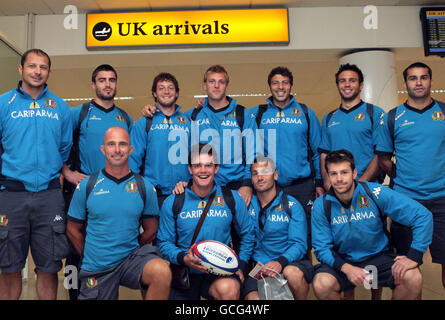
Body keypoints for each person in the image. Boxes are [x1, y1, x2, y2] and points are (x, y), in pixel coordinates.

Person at [311, 150, 433, 300]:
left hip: (377, 258)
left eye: (344, 172)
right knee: (322, 284)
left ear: (354, 173)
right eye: (334, 174)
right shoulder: (321, 205)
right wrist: (347, 268)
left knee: (413, 277)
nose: (339, 179)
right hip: (343, 261)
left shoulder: (374, 193)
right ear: (328, 176)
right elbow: (321, 248)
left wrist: (414, 256)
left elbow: (422, 215)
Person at [0, 48, 72, 300]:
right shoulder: (3, 103)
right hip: (11, 195)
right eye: (32, 66)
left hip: (49, 196)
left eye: (42, 67)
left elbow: (64, 147)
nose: (37, 71)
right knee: (9, 267)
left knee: (49, 267)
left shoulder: (60, 107)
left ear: (49, 71)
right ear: (21, 69)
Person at [66, 127, 171, 300]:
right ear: (103, 149)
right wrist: (89, 254)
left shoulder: (145, 187)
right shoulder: (87, 186)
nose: (117, 150)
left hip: (130, 261)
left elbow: (151, 229)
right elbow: (72, 229)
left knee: (161, 272)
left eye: (122, 144)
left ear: (130, 149)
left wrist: (131, 246)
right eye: (111, 144)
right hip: (97, 266)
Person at [61, 64, 133, 300]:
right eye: (102, 80)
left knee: (105, 246)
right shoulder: (78, 113)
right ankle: (74, 293)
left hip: (114, 194)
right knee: (74, 249)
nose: (107, 84)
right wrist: (67, 173)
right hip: (81, 190)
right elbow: (55, 144)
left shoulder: (125, 117)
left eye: (112, 79)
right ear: (93, 84)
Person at [376, 62, 445, 291]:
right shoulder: (393, 117)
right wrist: (404, 176)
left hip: (442, 199)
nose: (418, 82)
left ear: (431, 81)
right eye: (413, 78)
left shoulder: (443, 112)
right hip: (406, 201)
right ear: (405, 83)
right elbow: (384, 158)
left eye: (423, 77)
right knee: (406, 268)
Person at [318, 63, 385, 300]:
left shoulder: (373, 113)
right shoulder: (329, 118)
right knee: (342, 244)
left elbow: (380, 153)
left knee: (372, 242)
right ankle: (350, 295)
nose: (347, 84)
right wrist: (327, 182)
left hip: (367, 189)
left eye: (352, 80)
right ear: (337, 85)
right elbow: (324, 153)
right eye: (342, 81)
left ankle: (375, 296)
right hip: (337, 191)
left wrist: (362, 184)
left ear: (361, 85)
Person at [157, 143, 255, 300]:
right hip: (185, 272)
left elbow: (248, 234)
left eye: (208, 165)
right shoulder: (174, 201)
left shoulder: (231, 198)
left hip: (220, 273)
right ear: (190, 169)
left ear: (216, 168)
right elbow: (164, 243)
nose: (203, 170)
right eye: (197, 165)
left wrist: (241, 264)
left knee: (229, 290)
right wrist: (183, 257)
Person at [249, 66, 323, 259]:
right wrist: (201, 106)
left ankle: (299, 278)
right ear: (269, 86)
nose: (280, 87)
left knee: (302, 239)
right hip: (269, 187)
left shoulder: (306, 113)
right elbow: (227, 116)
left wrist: (321, 183)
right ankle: (261, 282)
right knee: (263, 235)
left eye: (284, 82)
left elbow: (318, 152)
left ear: (291, 85)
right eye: (275, 83)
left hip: (301, 187)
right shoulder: (257, 114)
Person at [173, 65, 255, 207]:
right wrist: (153, 109)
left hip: (237, 187)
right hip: (203, 188)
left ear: (227, 86)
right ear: (205, 85)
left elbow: (253, 152)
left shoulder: (243, 114)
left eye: (221, 82)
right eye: (212, 81)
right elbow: (181, 151)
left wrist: (247, 184)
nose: (216, 86)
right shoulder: (192, 116)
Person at [243, 155, 313, 300]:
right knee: (253, 299)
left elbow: (299, 244)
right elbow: (246, 240)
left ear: (275, 175)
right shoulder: (247, 205)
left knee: (293, 274)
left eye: (265, 172)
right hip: (259, 266)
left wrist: (280, 262)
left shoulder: (292, 205)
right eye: (255, 173)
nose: (260, 177)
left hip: (289, 262)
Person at [130, 72, 190, 208]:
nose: (166, 91)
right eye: (161, 88)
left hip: (184, 193)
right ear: (155, 94)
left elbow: (196, 158)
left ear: (176, 93)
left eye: (170, 87)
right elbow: (133, 161)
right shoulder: (144, 123)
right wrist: (137, 191)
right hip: (153, 195)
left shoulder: (187, 122)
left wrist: (191, 185)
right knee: (152, 230)